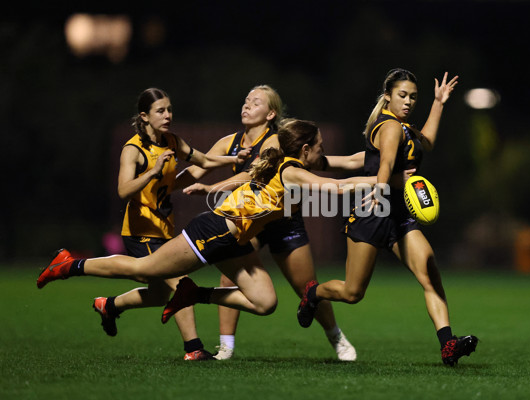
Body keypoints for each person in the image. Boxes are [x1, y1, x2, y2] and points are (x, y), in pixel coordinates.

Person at [36, 120, 378, 362]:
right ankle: (69, 265)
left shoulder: (288, 166)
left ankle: (193, 293)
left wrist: (383, 167)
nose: (324, 152)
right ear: (305, 149)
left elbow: (341, 168)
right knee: (144, 268)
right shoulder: (291, 169)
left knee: (264, 302)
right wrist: (384, 182)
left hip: (235, 241)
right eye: (320, 147)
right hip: (214, 231)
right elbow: (334, 187)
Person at [295, 69, 479, 366]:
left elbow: (427, 142)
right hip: (373, 212)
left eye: (413, 97)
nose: (408, 102)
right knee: (353, 292)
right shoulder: (390, 127)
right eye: (402, 95)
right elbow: (386, 163)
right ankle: (314, 293)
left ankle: (448, 345)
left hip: (400, 216)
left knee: (430, 274)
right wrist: (383, 189)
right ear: (388, 96)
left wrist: (439, 102)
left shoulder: (406, 127)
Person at [176, 85, 361, 361]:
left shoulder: (276, 141)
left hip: (284, 221)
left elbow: (250, 177)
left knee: (307, 287)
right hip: (254, 222)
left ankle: (336, 336)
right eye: (246, 100)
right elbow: (197, 168)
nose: (247, 105)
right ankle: (226, 348)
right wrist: (163, 182)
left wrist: (213, 187)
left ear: (271, 113)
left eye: (256, 102)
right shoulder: (231, 142)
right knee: (229, 274)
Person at [90, 87, 249, 361]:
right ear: (144, 116)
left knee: (160, 294)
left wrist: (234, 159)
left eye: (169, 109)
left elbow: (205, 159)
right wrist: (152, 172)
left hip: (163, 228)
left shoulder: (172, 142)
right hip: (140, 231)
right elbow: (123, 191)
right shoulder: (133, 149)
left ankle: (110, 305)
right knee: (180, 284)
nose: (167, 115)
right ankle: (194, 349)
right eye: (160, 111)